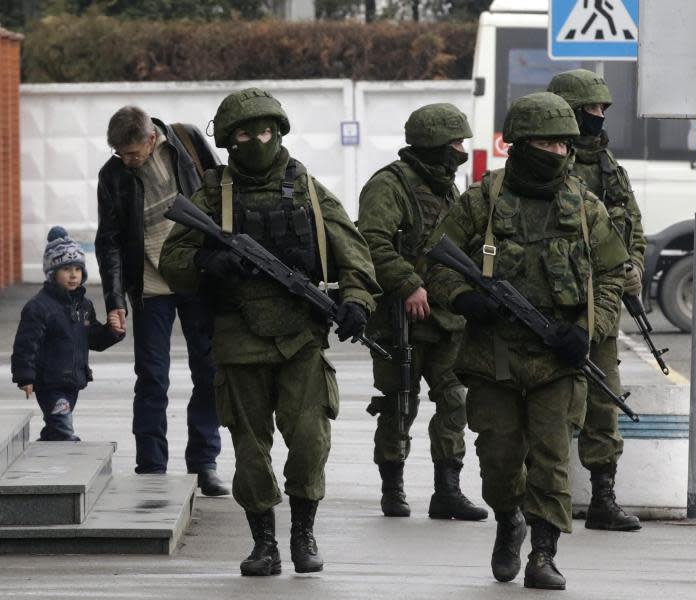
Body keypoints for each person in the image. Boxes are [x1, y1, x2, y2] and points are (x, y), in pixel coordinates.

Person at [159, 88, 381, 577]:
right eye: (244, 133)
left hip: (302, 335)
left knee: (309, 442)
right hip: (239, 338)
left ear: (279, 132)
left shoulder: (309, 191)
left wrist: (357, 301)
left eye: (265, 131)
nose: (257, 140)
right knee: (250, 451)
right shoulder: (212, 196)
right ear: (228, 139)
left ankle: (303, 531)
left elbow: (355, 253)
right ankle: (264, 541)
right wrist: (208, 261)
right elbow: (172, 260)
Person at [426, 92, 628, 590]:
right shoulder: (483, 201)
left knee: (552, 460)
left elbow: (610, 276)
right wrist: (464, 298)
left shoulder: (586, 206)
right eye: (542, 142)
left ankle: (544, 551)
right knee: (498, 460)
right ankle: (508, 520)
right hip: (493, 356)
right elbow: (435, 262)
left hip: (556, 361)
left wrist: (587, 330)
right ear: (517, 144)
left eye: (562, 144)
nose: (554, 153)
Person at [357, 103, 487, 521]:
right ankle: (392, 488)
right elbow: (371, 244)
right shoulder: (389, 186)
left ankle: (447, 490)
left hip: (447, 318)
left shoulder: (448, 187)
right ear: (431, 144)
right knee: (399, 404)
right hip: (400, 321)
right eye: (454, 144)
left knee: (454, 402)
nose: (461, 151)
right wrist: (408, 282)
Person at [95, 106, 229, 496]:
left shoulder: (187, 142)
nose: (127, 161)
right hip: (150, 286)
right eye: (121, 154)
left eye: (133, 153)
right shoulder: (113, 174)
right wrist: (115, 300)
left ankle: (204, 463)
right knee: (152, 378)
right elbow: (110, 242)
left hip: (195, 276)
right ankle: (151, 467)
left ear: (152, 138)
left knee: (209, 371)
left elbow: (222, 195)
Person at [547, 69, 645, 532]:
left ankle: (603, 496)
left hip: (599, 305)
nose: (599, 116)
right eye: (591, 109)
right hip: (547, 307)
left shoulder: (610, 169)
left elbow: (632, 227)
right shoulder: (545, 167)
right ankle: (539, 499)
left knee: (603, 400)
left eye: (603, 109)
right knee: (546, 405)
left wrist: (634, 269)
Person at [11, 227, 123, 441]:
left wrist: (111, 331)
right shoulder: (39, 307)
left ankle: (48, 447)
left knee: (56, 425)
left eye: (78, 269)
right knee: (62, 425)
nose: (73, 275)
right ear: (53, 273)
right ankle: (66, 444)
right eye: (66, 269)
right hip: (49, 381)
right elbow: (26, 344)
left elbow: (93, 338)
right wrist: (25, 376)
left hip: (73, 380)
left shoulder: (84, 305)